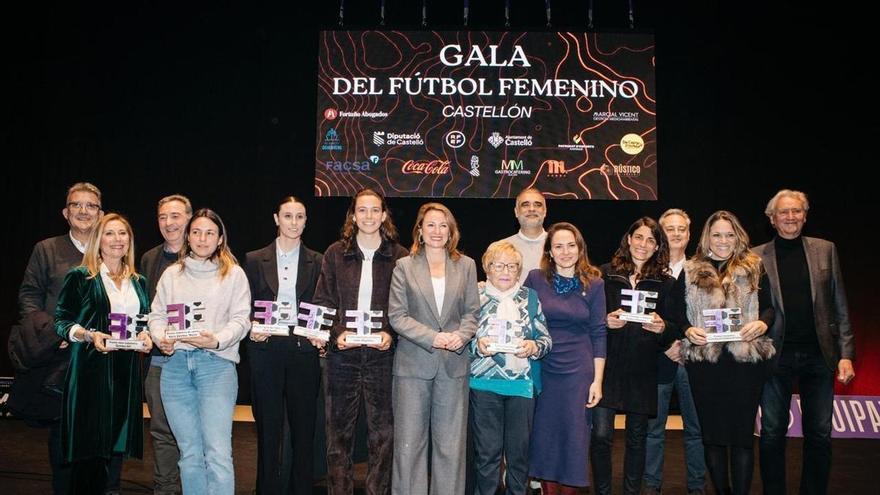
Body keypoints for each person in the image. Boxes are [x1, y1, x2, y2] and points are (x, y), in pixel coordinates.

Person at [755, 189, 854, 495]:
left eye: (796, 211)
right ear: (772, 219)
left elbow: (840, 304)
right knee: (771, 433)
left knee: (820, 434)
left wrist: (845, 354)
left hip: (820, 356)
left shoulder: (826, 250)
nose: (790, 217)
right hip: (775, 354)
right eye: (783, 212)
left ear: (805, 216)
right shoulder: (754, 256)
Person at [148, 208, 251, 495]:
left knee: (217, 452)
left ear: (220, 239)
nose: (202, 239)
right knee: (189, 453)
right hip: (175, 367)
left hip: (216, 366)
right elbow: (156, 317)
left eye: (209, 233)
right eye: (196, 232)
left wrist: (216, 340)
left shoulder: (234, 275)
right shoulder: (172, 275)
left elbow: (242, 320)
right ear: (187, 237)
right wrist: (161, 338)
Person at [313, 188, 408, 495]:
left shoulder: (400, 256)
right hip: (343, 357)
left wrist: (390, 334)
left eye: (375, 210)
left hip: (382, 357)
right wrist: (333, 334)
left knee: (383, 434)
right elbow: (323, 301)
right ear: (353, 215)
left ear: (384, 215)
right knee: (338, 435)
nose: (369, 216)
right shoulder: (334, 253)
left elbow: (406, 306)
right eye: (362, 210)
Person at [13, 181, 103, 494]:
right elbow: (28, 297)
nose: (83, 211)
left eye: (90, 205)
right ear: (65, 213)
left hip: (101, 358)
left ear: (100, 213)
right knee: (64, 439)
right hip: (61, 358)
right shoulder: (46, 249)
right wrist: (54, 331)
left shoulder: (112, 248)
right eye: (76, 205)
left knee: (99, 438)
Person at [54, 213, 153, 493]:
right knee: (89, 449)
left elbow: (143, 320)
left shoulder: (139, 281)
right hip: (90, 370)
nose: (117, 240)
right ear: (98, 239)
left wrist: (146, 335)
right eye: (109, 233)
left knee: (114, 446)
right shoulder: (81, 277)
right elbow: (61, 320)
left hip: (126, 371)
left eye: (123, 233)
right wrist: (88, 334)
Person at [681, 210, 776, 495]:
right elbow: (675, 313)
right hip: (705, 365)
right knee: (712, 438)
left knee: (742, 438)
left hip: (743, 364)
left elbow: (770, 307)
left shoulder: (754, 266)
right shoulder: (690, 269)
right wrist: (687, 330)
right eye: (717, 234)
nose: (723, 240)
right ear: (707, 237)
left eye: (729, 234)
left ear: (738, 237)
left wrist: (762, 323)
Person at [388, 202, 480, 495]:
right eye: (430, 225)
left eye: (443, 225)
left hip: (453, 367)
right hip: (413, 366)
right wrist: (434, 337)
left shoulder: (466, 265)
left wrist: (461, 336)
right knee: (409, 445)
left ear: (451, 230)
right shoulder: (404, 266)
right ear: (420, 230)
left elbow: (472, 314)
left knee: (450, 446)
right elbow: (397, 316)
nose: (437, 231)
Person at [591, 217, 681, 495]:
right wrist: (605, 321)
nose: (644, 244)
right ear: (628, 239)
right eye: (639, 237)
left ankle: (632, 491)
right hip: (608, 366)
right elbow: (590, 319)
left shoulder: (666, 283)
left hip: (643, 368)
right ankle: (603, 491)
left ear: (657, 247)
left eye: (651, 240)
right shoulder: (603, 275)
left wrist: (662, 327)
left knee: (637, 437)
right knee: (601, 435)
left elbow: (676, 326)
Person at [245, 196, 323, 494]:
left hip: (303, 349)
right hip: (266, 349)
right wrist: (253, 326)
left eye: (299, 216)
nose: (293, 222)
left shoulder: (317, 260)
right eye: (287, 216)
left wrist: (320, 333)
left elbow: (323, 304)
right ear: (276, 219)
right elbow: (245, 303)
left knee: (304, 430)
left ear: (306, 221)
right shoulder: (254, 259)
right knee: (268, 430)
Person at [525, 222, 607, 494]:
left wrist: (597, 381)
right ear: (549, 250)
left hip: (578, 372)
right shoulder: (536, 279)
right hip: (543, 367)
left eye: (571, 245)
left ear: (579, 248)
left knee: (574, 437)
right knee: (545, 437)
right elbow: (519, 314)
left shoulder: (595, 284)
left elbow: (598, 333)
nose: (565, 251)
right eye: (558, 246)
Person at [469, 240, 551, 495]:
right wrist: (476, 344)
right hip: (483, 386)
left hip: (521, 388)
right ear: (487, 268)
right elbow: (461, 335)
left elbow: (546, 339)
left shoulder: (530, 298)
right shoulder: (474, 296)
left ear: (519, 270)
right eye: (498, 265)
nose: (505, 271)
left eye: (512, 266)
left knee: (519, 457)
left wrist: (533, 347)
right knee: (487, 456)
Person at [643, 208, 706, 495]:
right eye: (670, 229)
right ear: (661, 234)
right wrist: (668, 344)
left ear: (690, 234)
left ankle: (697, 486)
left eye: (682, 229)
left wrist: (685, 343)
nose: (677, 233)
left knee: (696, 429)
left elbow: (706, 313)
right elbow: (643, 317)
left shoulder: (702, 270)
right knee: (653, 430)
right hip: (659, 358)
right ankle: (651, 485)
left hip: (694, 357)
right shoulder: (648, 271)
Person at [140, 194, 192, 495]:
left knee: (196, 435)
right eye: (163, 217)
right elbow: (145, 308)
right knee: (161, 432)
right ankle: (166, 490)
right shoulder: (148, 259)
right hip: (160, 360)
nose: (169, 223)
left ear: (189, 217)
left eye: (175, 216)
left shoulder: (209, 253)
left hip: (202, 359)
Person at [499, 188, 548, 283]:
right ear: (516, 212)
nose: (532, 209)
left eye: (537, 205)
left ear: (545, 211)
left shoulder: (560, 246)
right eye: (525, 205)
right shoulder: (500, 247)